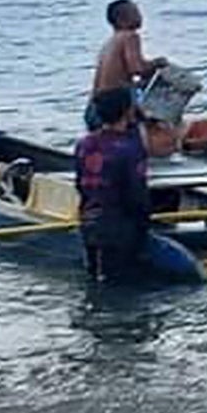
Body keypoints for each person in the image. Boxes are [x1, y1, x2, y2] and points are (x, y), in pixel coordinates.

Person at [74, 87, 153, 282]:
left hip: (89, 219)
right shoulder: (129, 148)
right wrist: (145, 223)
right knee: (122, 280)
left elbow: (79, 183)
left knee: (95, 275)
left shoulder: (84, 143)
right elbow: (136, 191)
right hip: (119, 224)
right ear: (128, 111)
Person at [85, 0, 168, 132]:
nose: (141, 16)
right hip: (113, 104)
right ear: (122, 20)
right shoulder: (130, 36)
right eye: (136, 12)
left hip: (95, 104)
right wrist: (157, 63)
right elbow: (136, 68)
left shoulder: (110, 42)